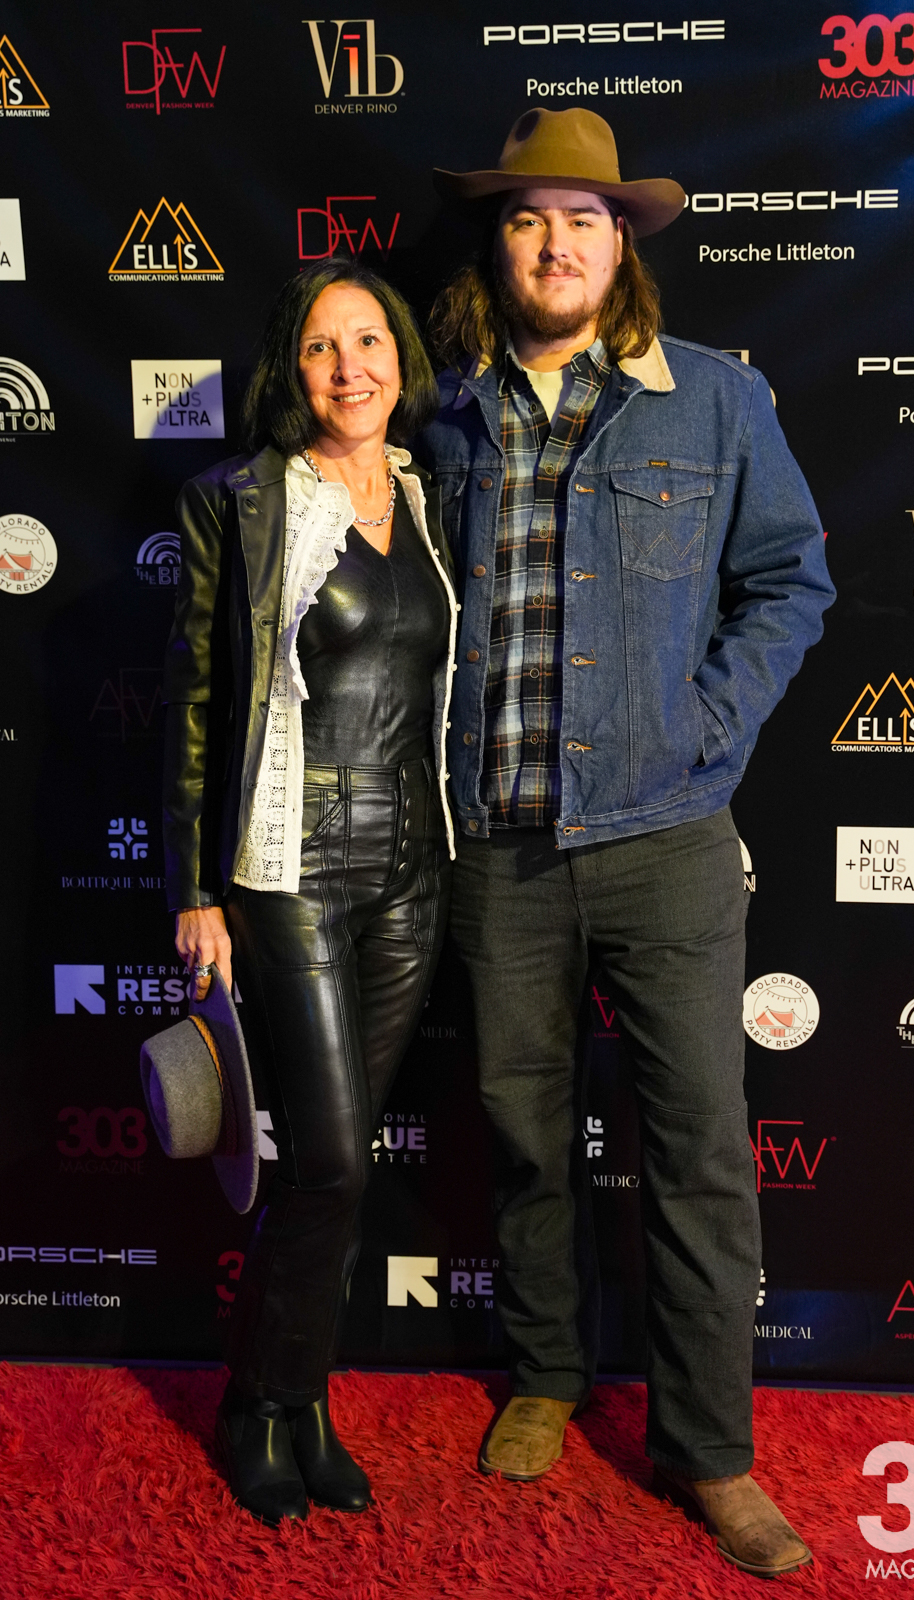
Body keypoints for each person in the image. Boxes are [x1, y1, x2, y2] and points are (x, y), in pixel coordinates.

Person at [418, 108, 835, 1579]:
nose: (555, 243)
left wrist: (702, 724)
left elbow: (789, 582)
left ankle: (709, 1448)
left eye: (582, 220)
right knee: (524, 1133)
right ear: (498, 243)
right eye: (529, 217)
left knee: (699, 1149)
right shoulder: (437, 413)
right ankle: (544, 1375)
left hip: (665, 838)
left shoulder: (712, 398)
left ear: (622, 243)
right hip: (496, 846)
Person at [162, 258, 458, 1527]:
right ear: (293, 368)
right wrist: (195, 887)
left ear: (400, 358)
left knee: (335, 1167)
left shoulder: (429, 494)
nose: (351, 367)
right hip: (288, 868)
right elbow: (195, 698)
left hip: (412, 871)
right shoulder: (237, 501)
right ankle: (258, 1404)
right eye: (324, 346)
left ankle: (302, 1401)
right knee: (329, 1159)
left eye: (370, 340)